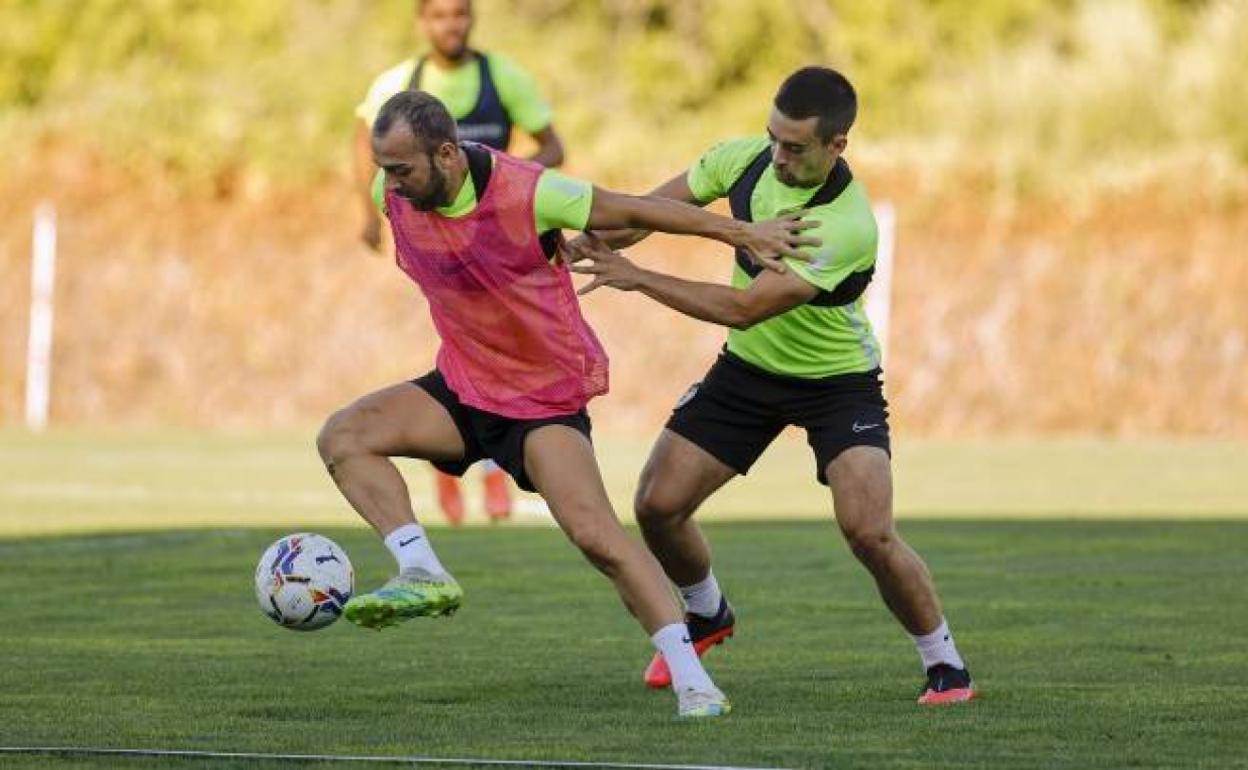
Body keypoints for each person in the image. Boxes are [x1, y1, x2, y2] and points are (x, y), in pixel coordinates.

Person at [316, 90, 818, 717]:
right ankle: (421, 570)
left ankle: (695, 682)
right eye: (382, 168)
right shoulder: (390, 196)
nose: (387, 183)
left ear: (446, 154)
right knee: (343, 436)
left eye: (400, 169)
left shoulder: (531, 192)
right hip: (463, 387)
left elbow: (637, 209)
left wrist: (740, 231)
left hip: (540, 400)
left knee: (597, 536)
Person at [566, 67, 976, 706]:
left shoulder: (844, 224)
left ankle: (945, 663)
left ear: (836, 146)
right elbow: (645, 214)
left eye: (795, 147)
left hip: (837, 384)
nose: (777, 156)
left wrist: (637, 278)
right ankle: (708, 614)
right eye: (773, 138)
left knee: (868, 530)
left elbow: (743, 308)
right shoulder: (742, 162)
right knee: (657, 505)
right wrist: (579, 242)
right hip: (748, 374)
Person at [353, 0, 567, 524]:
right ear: (422, 22)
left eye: (461, 14)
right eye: (440, 15)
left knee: (512, 347)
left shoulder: (504, 78)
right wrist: (369, 211)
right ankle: (450, 465)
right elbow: (365, 143)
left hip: (500, 246)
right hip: (437, 245)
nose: (452, 24)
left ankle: (498, 464)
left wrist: (504, 185)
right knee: (454, 346)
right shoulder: (400, 82)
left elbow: (553, 147)